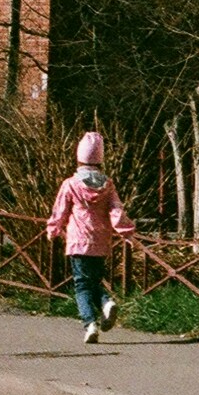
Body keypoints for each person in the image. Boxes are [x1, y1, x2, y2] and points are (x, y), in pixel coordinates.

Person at [45, 131, 135, 344]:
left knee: (81, 285)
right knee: (93, 281)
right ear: (100, 160)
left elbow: (60, 211)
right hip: (100, 240)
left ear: (79, 158)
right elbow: (116, 211)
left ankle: (90, 323)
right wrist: (126, 232)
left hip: (78, 241)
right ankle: (106, 303)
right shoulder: (108, 185)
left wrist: (53, 230)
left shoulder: (71, 184)